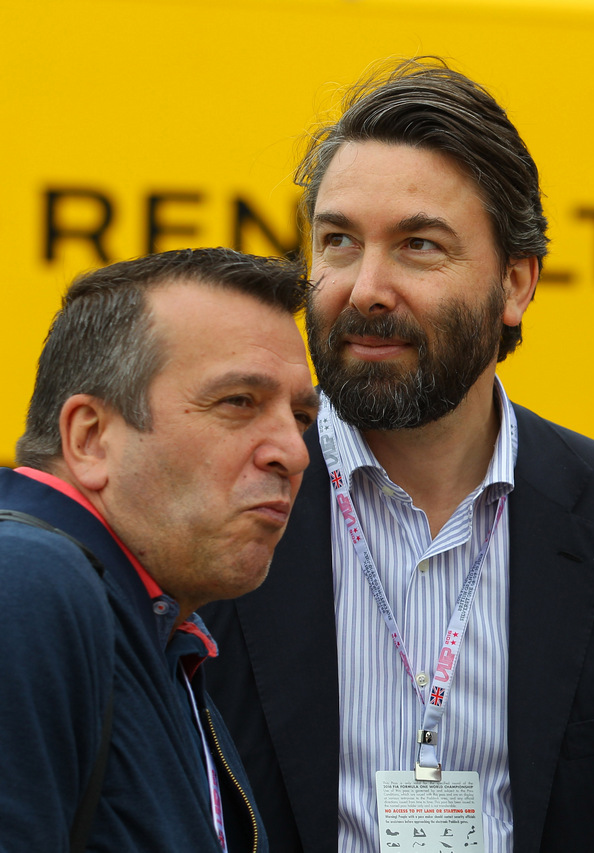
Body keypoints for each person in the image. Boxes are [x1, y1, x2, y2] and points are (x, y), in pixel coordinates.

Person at [201, 57, 594, 853]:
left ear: (515, 283)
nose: (364, 287)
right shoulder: (214, 503)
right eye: (337, 241)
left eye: (418, 245)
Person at [0, 247, 319, 851]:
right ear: (91, 438)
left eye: (301, 415)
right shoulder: (27, 582)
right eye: (239, 402)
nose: (294, 452)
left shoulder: (162, 628)